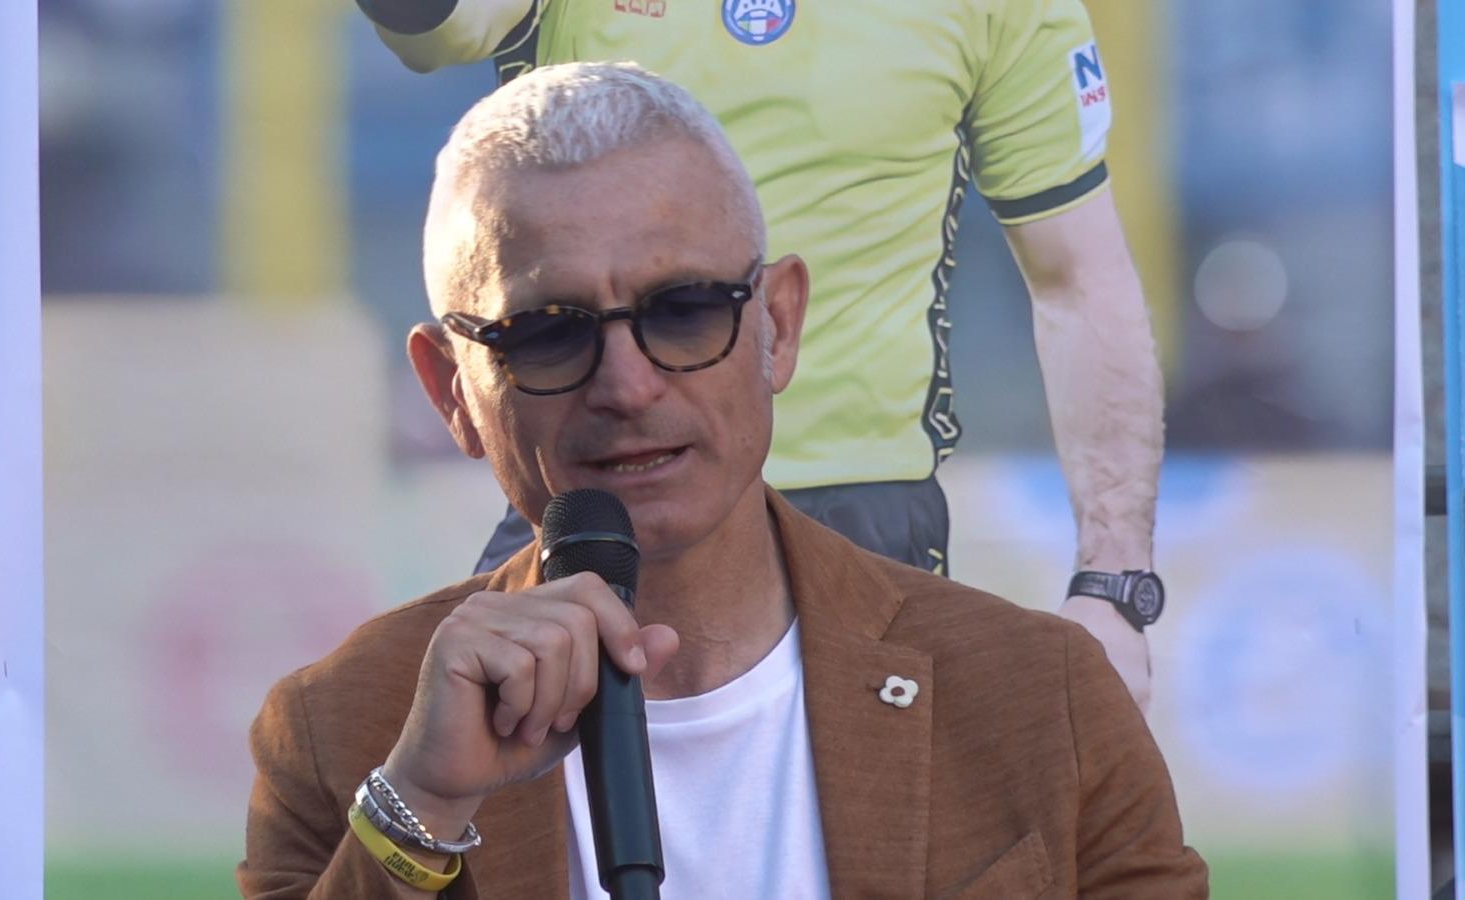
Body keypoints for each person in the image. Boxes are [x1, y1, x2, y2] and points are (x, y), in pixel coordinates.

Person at [239, 63, 1204, 898]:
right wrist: (422, 808)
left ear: (777, 325)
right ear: (450, 390)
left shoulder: (1039, 697)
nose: (627, 386)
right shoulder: (349, 733)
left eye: (684, 310)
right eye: (547, 333)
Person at [358, 0, 1167, 713]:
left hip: (855, 510)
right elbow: (434, 28)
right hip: (594, 494)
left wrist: (1113, 587)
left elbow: (1079, 281)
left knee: (862, 833)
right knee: (486, 819)